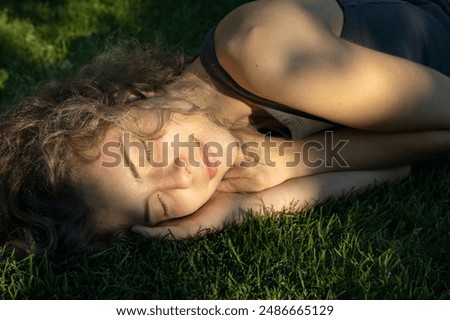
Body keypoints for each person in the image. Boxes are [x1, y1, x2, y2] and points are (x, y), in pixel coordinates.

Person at [1, 0, 449, 257]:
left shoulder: (265, 54)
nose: (179, 176)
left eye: (145, 154)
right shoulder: (223, 136)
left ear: (125, 99)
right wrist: (239, 207)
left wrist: (293, 162)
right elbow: (397, 168)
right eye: (159, 207)